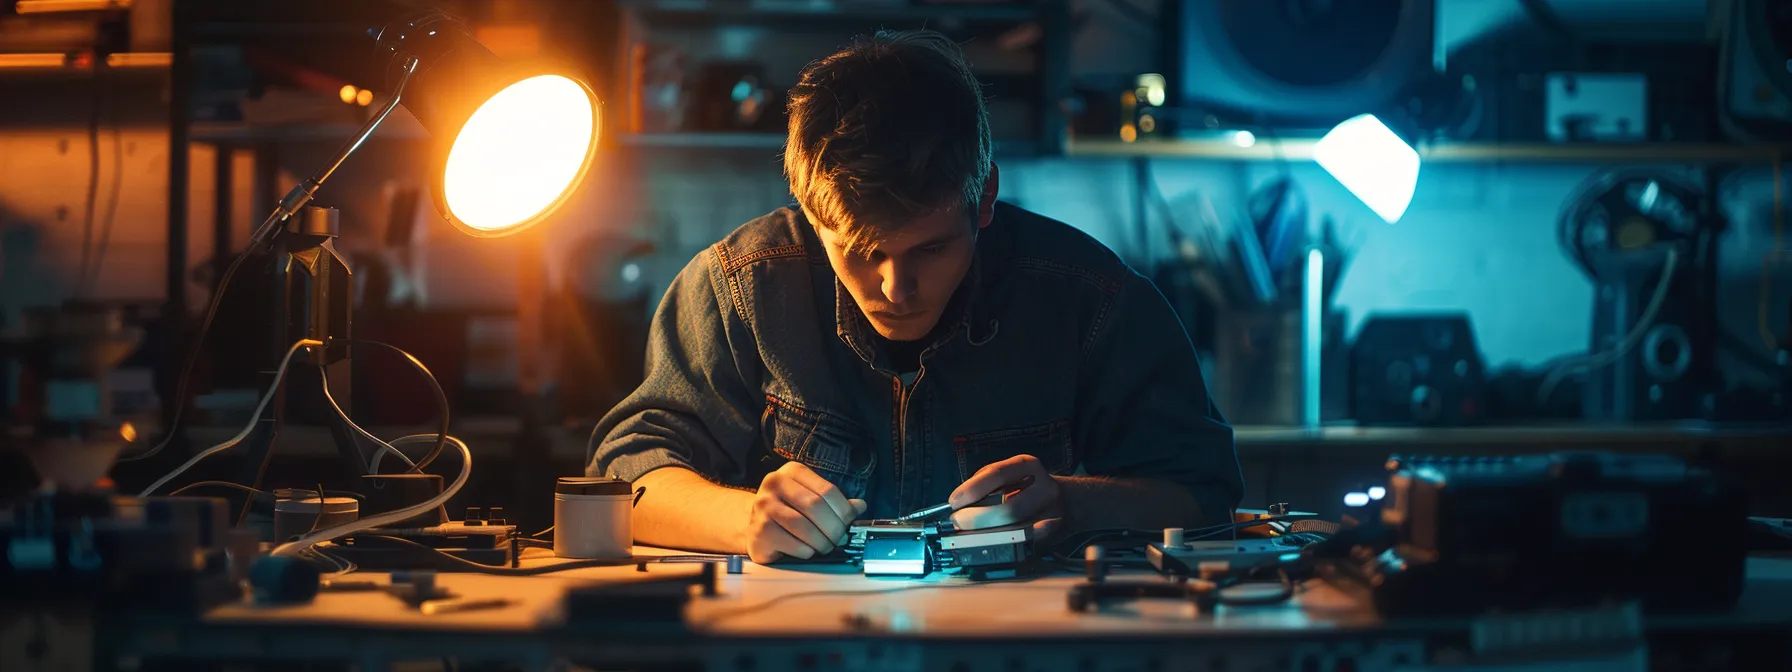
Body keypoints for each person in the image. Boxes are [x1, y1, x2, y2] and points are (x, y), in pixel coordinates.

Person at [588, 30, 1242, 564]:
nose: (896, 291)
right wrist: (742, 518)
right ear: (811, 214)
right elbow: (624, 479)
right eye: (861, 252)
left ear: (983, 197)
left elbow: (1205, 493)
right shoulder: (740, 287)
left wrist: (1074, 502)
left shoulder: (1093, 299)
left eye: (930, 249)